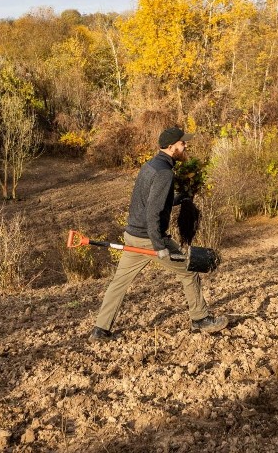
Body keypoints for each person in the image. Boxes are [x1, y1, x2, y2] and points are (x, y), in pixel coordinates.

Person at [89, 127, 228, 342]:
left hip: (133, 235)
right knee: (189, 272)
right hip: (149, 239)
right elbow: (153, 212)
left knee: (118, 284)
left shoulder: (151, 165)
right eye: (182, 143)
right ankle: (200, 319)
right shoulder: (164, 173)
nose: (186, 146)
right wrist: (159, 246)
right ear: (172, 147)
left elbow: (151, 201)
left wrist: (178, 198)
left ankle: (100, 330)